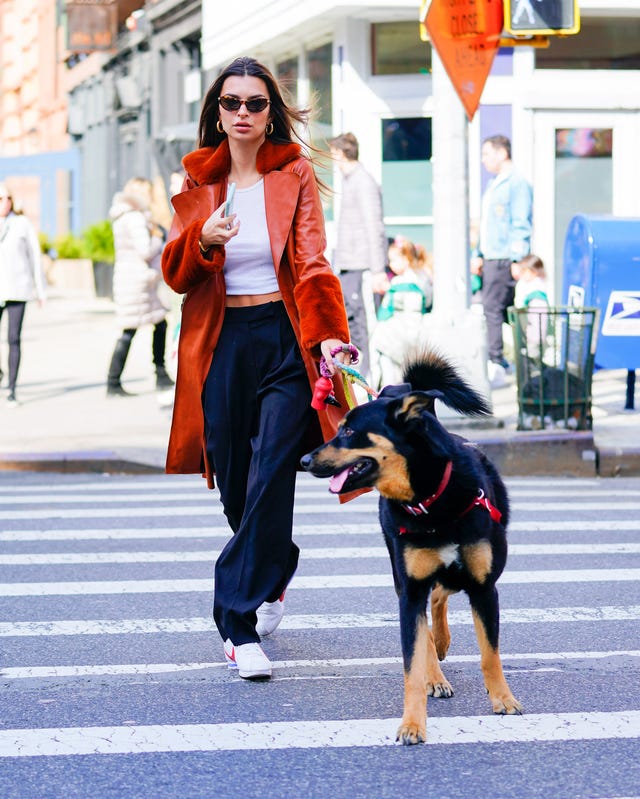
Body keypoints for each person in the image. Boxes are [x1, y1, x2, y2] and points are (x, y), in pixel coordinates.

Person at [161, 56, 354, 680]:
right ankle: (276, 562)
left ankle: (237, 622)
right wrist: (204, 242)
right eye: (231, 102)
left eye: (256, 103)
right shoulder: (197, 183)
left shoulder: (292, 173)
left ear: (272, 113)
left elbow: (313, 263)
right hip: (220, 344)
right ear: (216, 111)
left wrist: (327, 338)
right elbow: (175, 275)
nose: (243, 113)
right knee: (240, 485)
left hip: (282, 336)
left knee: (274, 469)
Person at [470, 134, 533, 388]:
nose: (483, 160)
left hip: (504, 257)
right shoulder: (495, 183)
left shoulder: (516, 183)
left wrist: (518, 258)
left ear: (502, 153)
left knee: (493, 309)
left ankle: (498, 363)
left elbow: (521, 223)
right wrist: (479, 254)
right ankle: (520, 360)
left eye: (487, 154)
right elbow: (487, 225)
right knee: (502, 311)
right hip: (491, 255)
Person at [106, 177, 174, 396]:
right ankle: (116, 381)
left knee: (153, 324)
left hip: (132, 280)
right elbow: (145, 250)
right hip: (137, 282)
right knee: (133, 329)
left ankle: (119, 380)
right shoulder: (135, 218)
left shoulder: (123, 215)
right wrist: (159, 239)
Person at [329, 132, 387, 381]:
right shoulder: (351, 181)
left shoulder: (363, 182)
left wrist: (377, 271)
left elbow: (375, 227)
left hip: (362, 267)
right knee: (353, 323)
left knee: (364, 325)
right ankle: (361, 375)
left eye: (333, 155)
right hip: (349, 265)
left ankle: (370, 377)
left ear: (341, 154)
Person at [0, 184, 47, 406]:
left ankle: (12, 389)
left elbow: (35, 257)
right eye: (1, 198)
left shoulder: (22, 224)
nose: (5, 202)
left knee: (13, 338)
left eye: (8, 198)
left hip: (18, 288)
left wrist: (40, 290)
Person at [371, 236, 433, 387]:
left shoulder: (397, 283)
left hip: (398, 331)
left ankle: (387, 389)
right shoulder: (424, 278)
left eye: (393, 260)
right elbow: (429, 303)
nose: (390, 264)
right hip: (418, 330)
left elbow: (385, 312)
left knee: (380, 345)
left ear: (406, 259)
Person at [512, 253, 549, 359]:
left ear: (533, 271)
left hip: (535, 335)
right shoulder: (534, 286)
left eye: (524, 272)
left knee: (533, 356)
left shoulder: (536, 291)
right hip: (533, 333)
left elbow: (539, 320)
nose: (522, 275)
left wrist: (535, 338)